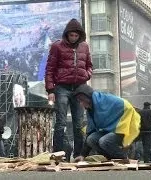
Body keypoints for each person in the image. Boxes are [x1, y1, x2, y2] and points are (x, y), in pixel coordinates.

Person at [45, 18, 93, 157]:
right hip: (62, 88)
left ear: (79, 35)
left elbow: (90, 65)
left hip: (80, 88)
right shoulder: (57, 46)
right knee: (60, 123)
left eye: (76, 35)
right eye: (71, 35)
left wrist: (87, 75)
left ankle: (78, 155)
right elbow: (50, 69)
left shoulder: (84, 46)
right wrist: (50, 90)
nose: (73, 38)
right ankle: (58, 155)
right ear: (67, 34)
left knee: (78, 125)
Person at [72, 84, 141, 161]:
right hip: (111, 129)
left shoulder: (103, 102)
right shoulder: (91, 109)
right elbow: (90, 131)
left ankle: (123, 158)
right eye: (79, 101)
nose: (81, 104)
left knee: (104, 141)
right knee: (91, 139)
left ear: (88, 97)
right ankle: (110, 158)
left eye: (81, 100)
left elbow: (127, 107)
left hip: (124, 127)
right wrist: (83, 155)